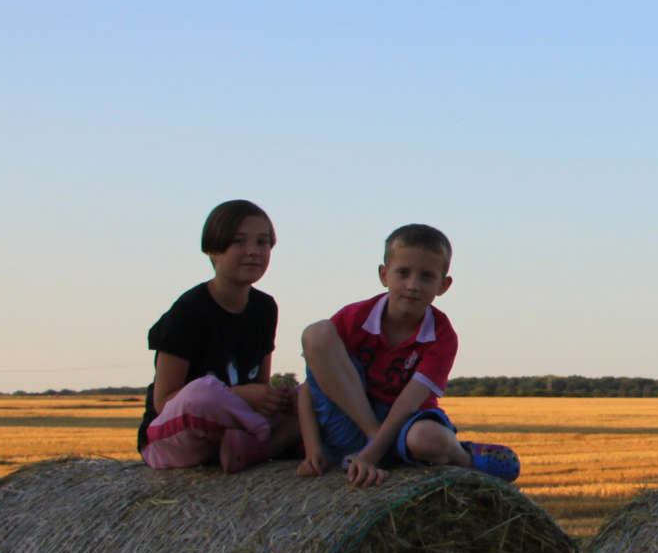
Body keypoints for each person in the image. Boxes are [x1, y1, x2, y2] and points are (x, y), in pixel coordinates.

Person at [296, 222, 519, 488]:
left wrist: (369, 456)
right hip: (354, 420)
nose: (413, 285)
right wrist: (313, 450)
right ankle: (374, 442)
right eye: (403, 273)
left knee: (427, 439)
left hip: (405, 423)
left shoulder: (441, 335)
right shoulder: (354, 319)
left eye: (426, 276)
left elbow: (406, 405)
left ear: (444, 285)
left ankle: (464, 458)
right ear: (383, 274)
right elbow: (313, 386)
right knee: (316, 333)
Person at [137, 200, 299, 471]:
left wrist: (273, 397)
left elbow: (259, 384)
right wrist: (243, 396)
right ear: (213, 249)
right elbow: (165, 401)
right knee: (203, 393)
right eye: (239, 242)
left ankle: (252, 447)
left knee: (312, 398)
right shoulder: (187, 311)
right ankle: (267, 445)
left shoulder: (265, 308)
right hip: (175, 435)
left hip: (235, 427)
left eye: (262, 242)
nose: (253, 252)